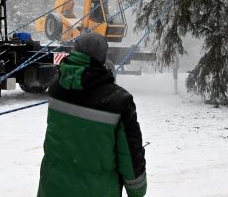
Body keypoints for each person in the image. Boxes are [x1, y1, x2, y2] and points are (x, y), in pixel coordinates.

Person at [38, 32, 147, 197]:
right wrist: (137, 189)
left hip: (52, 188)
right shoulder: (118, 101)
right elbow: (130, 155)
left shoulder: (56, 89)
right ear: (103, 57)